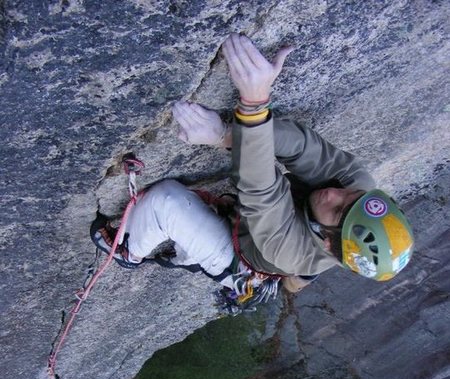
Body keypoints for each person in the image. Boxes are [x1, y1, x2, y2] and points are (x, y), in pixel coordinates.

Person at [91, 34, 414, 308]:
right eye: (352, 195)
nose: (335, 193)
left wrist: (254, 103)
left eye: (338, 210)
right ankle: (187, 253)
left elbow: (261, 187)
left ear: (328, 242)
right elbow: (303, 146)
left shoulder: (292, 253)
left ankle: (128, 252)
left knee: (165, 202)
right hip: (252, 230)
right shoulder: (360, 190)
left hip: (239, 255)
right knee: (200, 231)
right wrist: (227, 135)